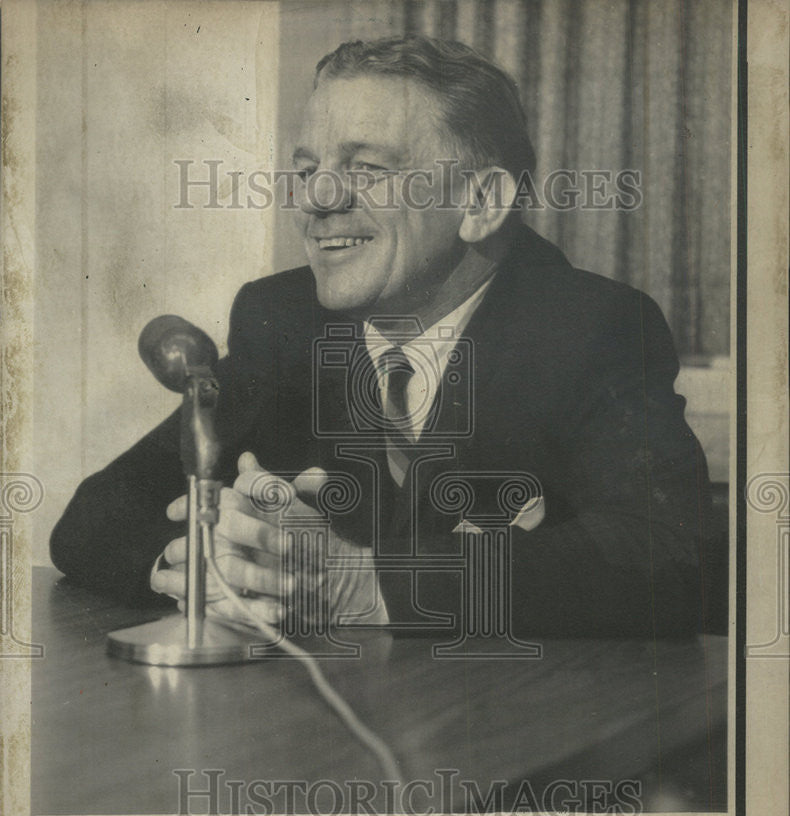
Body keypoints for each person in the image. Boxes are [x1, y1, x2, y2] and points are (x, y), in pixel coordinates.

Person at [50, 35, 713, 639]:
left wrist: (369, 586)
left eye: (365, 167)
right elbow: (97, 514)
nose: (315, 198)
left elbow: (670, 555)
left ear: (481, 203)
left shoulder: (591, 327)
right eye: (307, 168)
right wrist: (200, 561)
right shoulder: (282, 318)